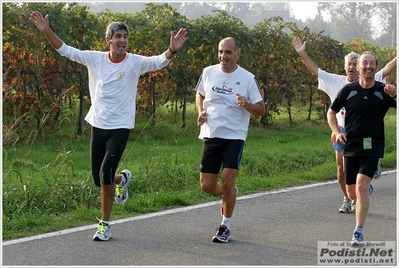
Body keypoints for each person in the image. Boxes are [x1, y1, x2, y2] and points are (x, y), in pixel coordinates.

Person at [29, 11, 188, 241]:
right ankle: (122, 179)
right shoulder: (95, 59)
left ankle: (105, 225)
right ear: (108, 40)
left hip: (121, 126)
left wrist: (172, 50)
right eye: (118, 36)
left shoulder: (134, 62)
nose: (122, 40)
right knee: (98, 179)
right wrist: (46, 31)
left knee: (105, 173)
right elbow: (66, 51)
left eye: (125, 36)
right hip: (99, 124)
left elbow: (158, 61)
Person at [292, 37, 397, 213]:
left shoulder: (370, 77)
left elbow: (387, 68)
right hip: (341, 131)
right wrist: (302, 53)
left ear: (360, 67)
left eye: (355, 64)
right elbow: (316, 71)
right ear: (345, 66)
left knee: (362, 171)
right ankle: (348, 198)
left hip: (366, 132)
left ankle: (366, 177)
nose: (352, 67)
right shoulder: (336, 82)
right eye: (349, 64)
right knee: (341, 168)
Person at [195, 37, 266, 243]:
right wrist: (201, 112)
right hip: (211, 134)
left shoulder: (247, 78)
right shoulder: (208, 72)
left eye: (228, 52)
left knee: (227, 179)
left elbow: (261, 109)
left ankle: (225, 226)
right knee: (207, 186)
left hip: (234, 136)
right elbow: (200, 95)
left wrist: (246, 105)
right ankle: (230, 193)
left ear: (237, 54)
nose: (223, 56)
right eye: (220, 52)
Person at [327, 51, 396, 247]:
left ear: (376, 67)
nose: (368, 66)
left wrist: (396, 94)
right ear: (358, 68)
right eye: (364, 63)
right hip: (351, 146)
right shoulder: (348, 90)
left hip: (373, 146)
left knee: (361, 186)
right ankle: (363, 189)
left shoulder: (383, 91)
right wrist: (336, 132)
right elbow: (331, 113)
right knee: (351, 193)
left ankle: (358, 232)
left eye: (371, 63)